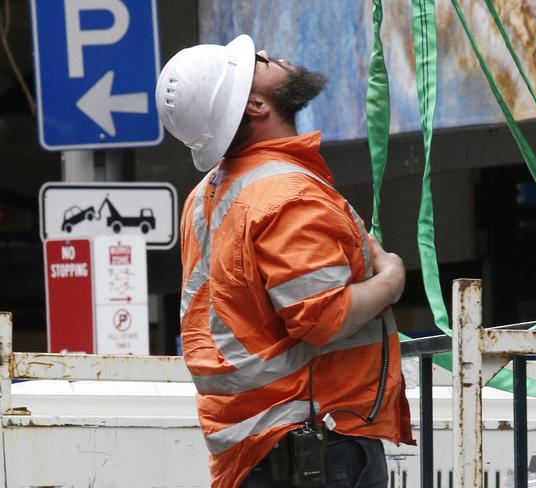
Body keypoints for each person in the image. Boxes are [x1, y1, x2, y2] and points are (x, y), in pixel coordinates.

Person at [155, 34, 414, 488]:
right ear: (256, 105)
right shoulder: (286, 195)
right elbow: (322, 317)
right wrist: (392, 278)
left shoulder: (207, 196)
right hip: (317, 446)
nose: (268, 55)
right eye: (257, 62)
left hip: (262, 447)